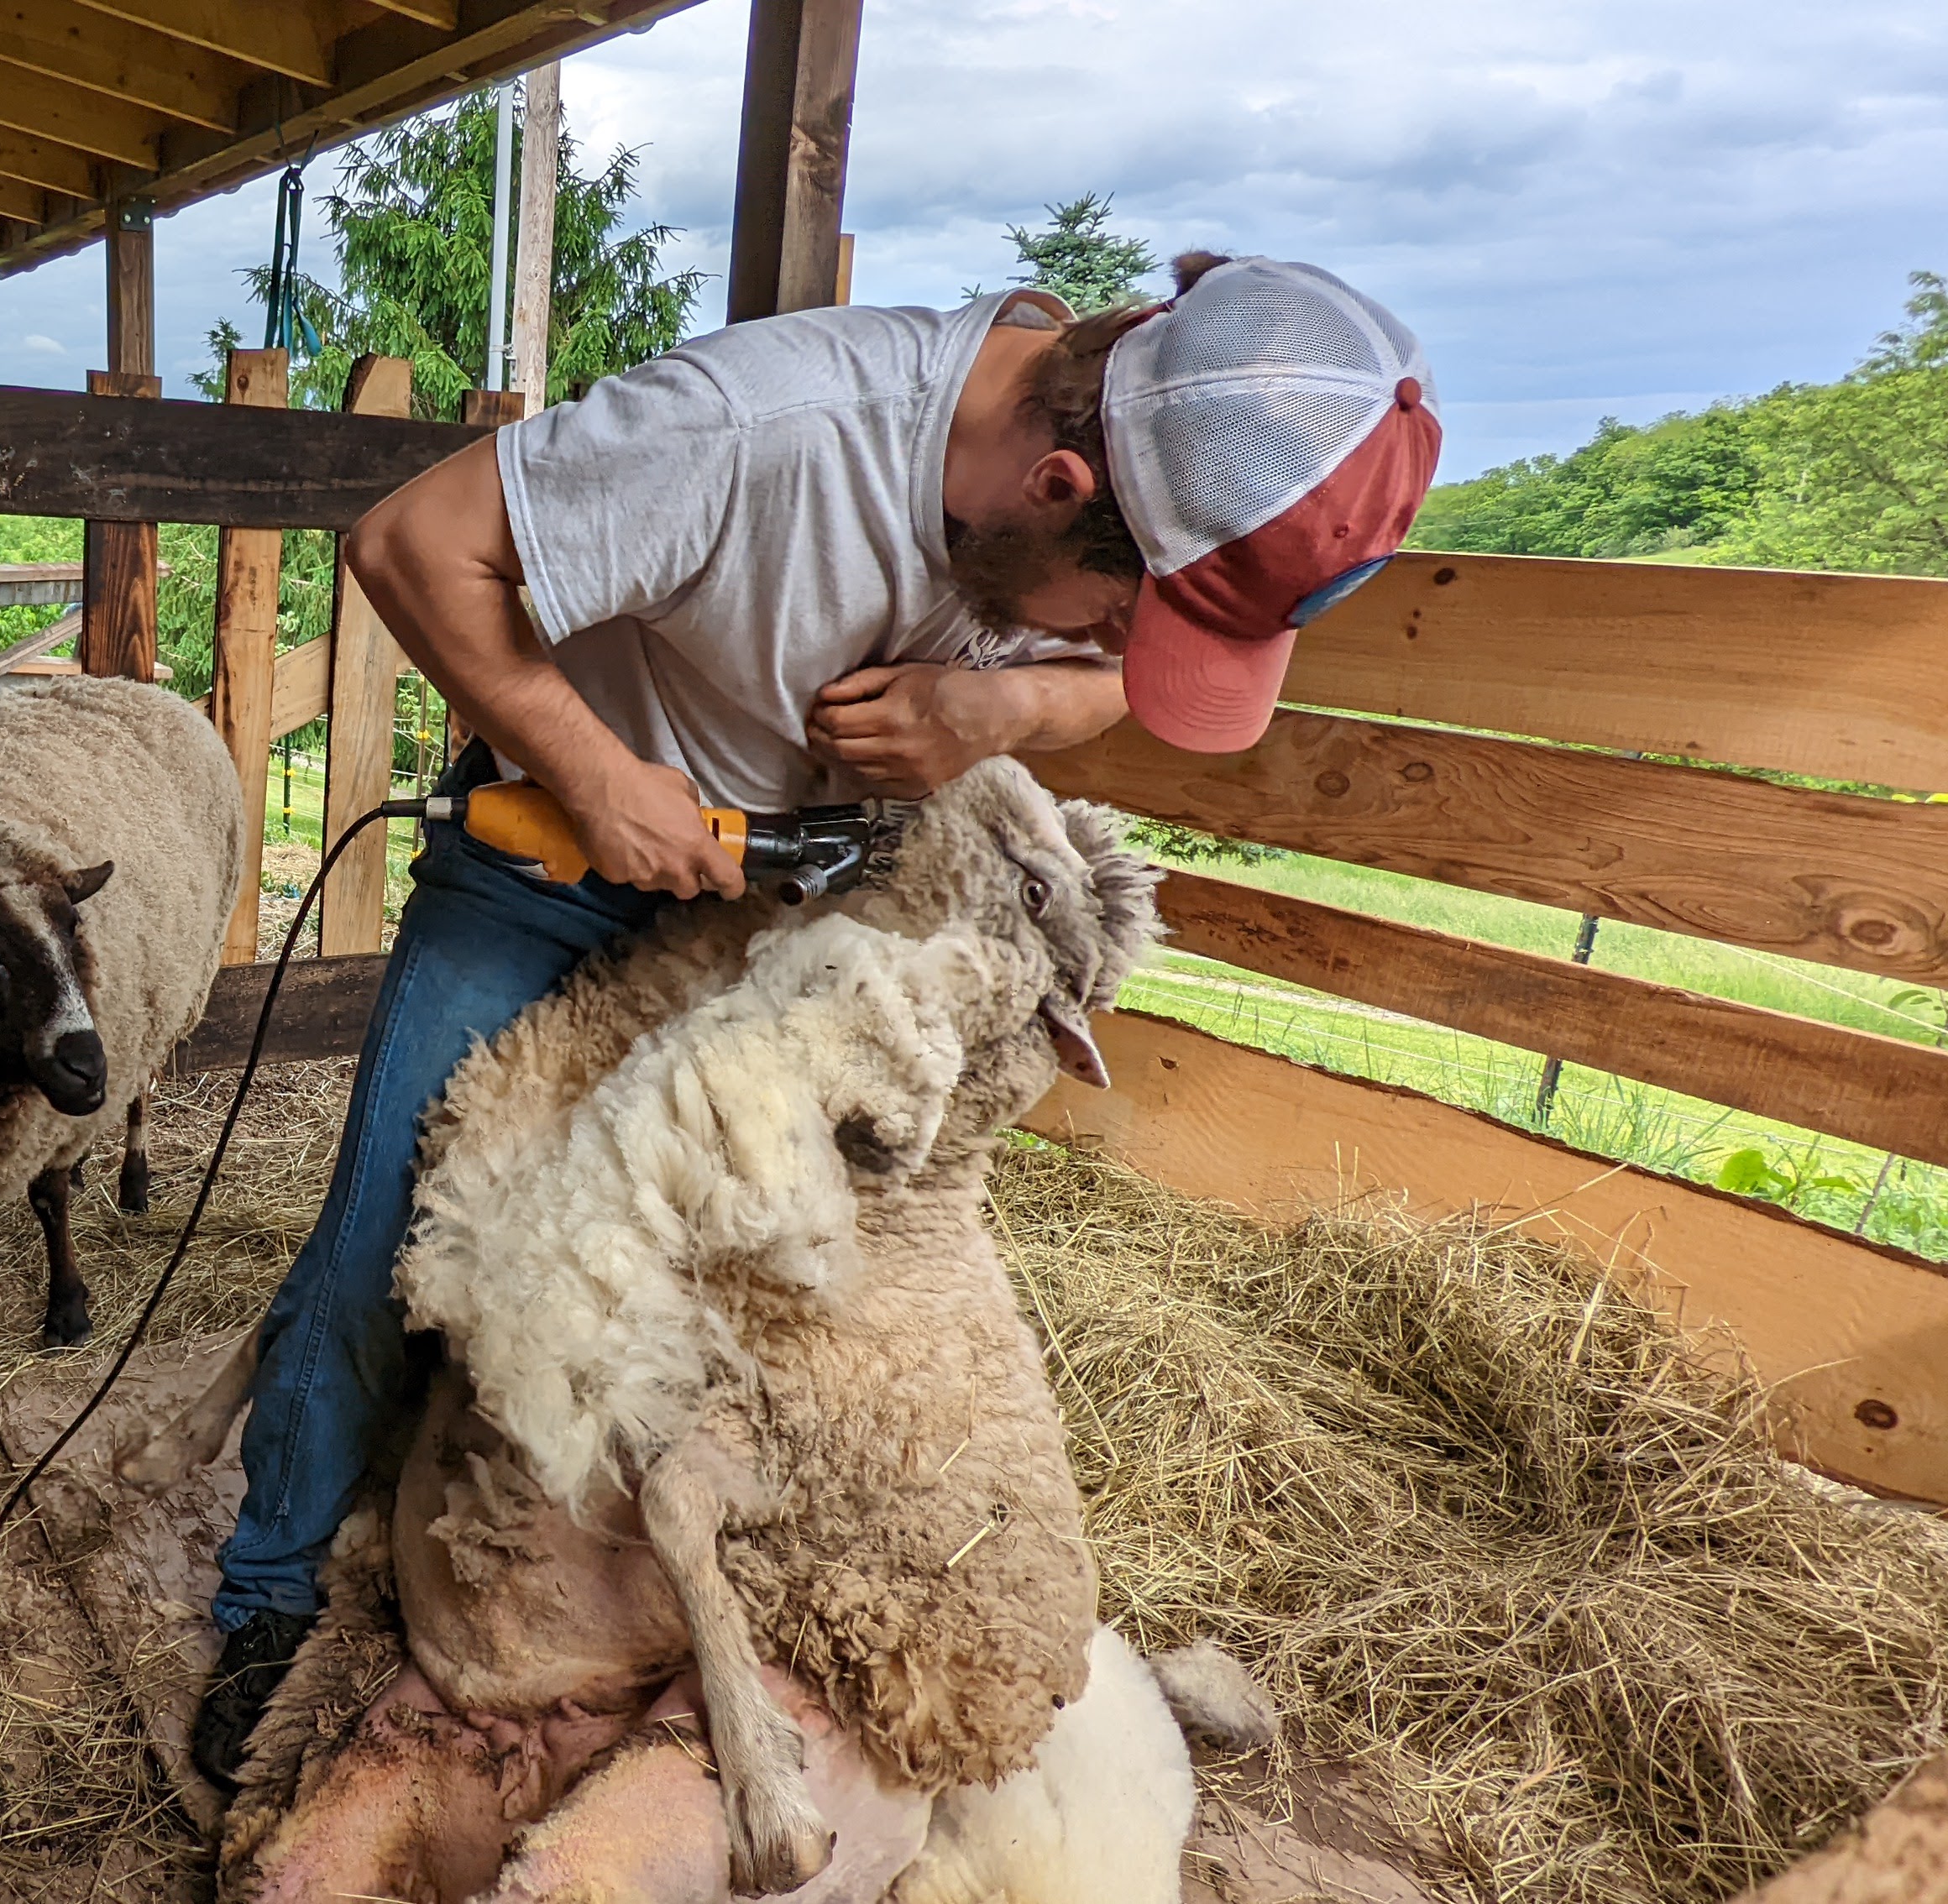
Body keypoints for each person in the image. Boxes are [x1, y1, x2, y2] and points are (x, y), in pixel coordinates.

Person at [191, 251, 1443, 1784]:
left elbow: (1121, 678)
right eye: (1117, 619)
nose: (1118, 653)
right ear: (1054, 482)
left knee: (774, 1296)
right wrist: (596, 776)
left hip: (808, 913)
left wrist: (1014, 706)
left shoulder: (1160, 441)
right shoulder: (760, 432)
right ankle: (264, 1587)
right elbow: (413, 541)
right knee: (405, 1226)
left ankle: (613, 1589)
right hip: (566, 857)